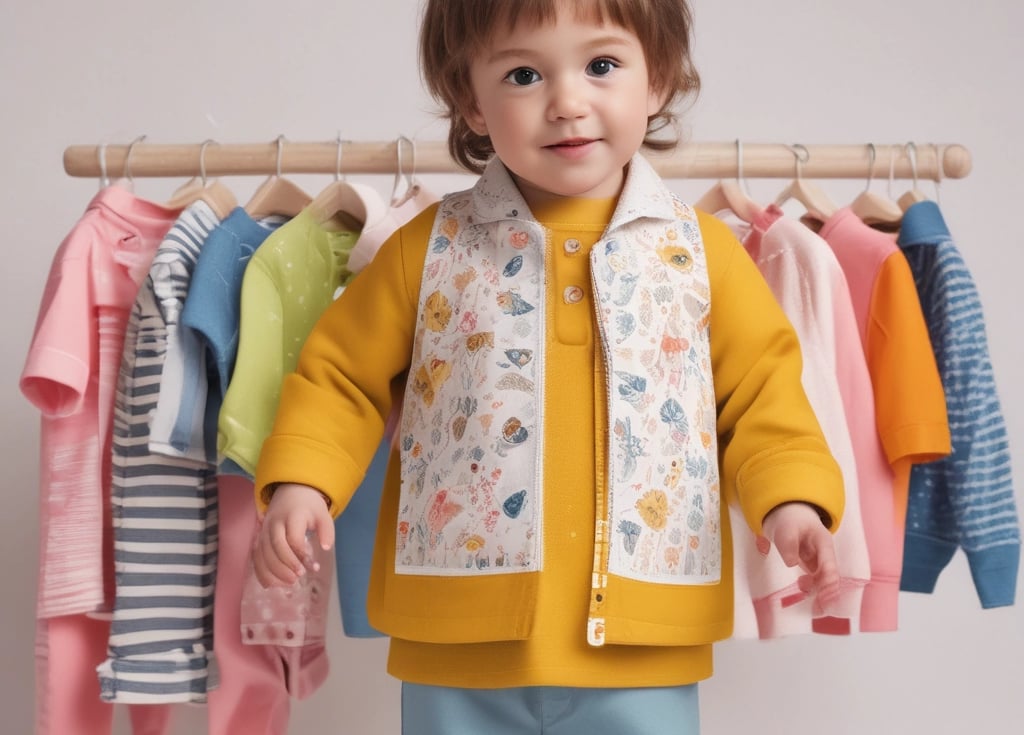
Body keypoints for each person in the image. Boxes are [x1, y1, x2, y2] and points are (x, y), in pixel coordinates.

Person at [253, 1, 845, 732]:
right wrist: (304, 481)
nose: (567, 102)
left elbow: (762, 397)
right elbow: (340, 377)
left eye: (602, 65)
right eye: (524, 75)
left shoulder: (701, 255)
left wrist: (791, 502)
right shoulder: (426, 249)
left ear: (657, 80)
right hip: (459, 640)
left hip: (642, 647)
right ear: (472, 100)